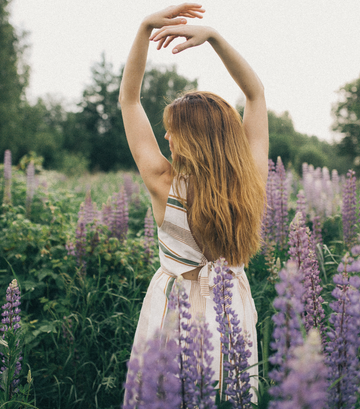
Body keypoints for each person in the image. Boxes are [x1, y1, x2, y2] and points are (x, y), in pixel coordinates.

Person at [119, 2, 268, 400]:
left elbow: (129, 101)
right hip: (230, 313)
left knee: (162, 398)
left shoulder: (163, 183)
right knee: (228, 395)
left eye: (171, 132)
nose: (166, 138)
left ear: (192, 140)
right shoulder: (250, 182)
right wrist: (216, 38)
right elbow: (255, 96)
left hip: (172, 312)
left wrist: (144, 29)